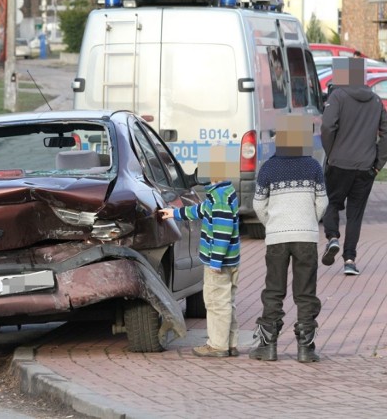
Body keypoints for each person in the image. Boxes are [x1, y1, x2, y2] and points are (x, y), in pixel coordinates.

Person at [249, 114, 328, 363]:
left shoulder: (269, 167)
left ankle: (267, 346)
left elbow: (258, 204)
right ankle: (306, 348)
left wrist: (272, 224)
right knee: (305, 293)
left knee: (274, 291)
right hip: (306, 238)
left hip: (277, 239)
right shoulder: (313, 166)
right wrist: (309, 221)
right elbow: (323, 201)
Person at [159, 144, 240, 358]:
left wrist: (215, 262)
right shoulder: (222, 193)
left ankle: (217, 345)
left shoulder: (219, 198)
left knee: (215, 302)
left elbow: (222, 232)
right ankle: (229, 343)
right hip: (230, 261)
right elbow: (200, 210)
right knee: (227, 302)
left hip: (220, 263)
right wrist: (174, 214)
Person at [321, 57, 387, 275]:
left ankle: (332, 237)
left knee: (332, 202)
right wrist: (378, 164)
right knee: (355, 215)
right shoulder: (376, 101)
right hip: (365, 166)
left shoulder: (337, 96)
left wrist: (330, 153)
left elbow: (328, 126)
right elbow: (385, 134)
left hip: (339, 163)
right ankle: (350, 259)